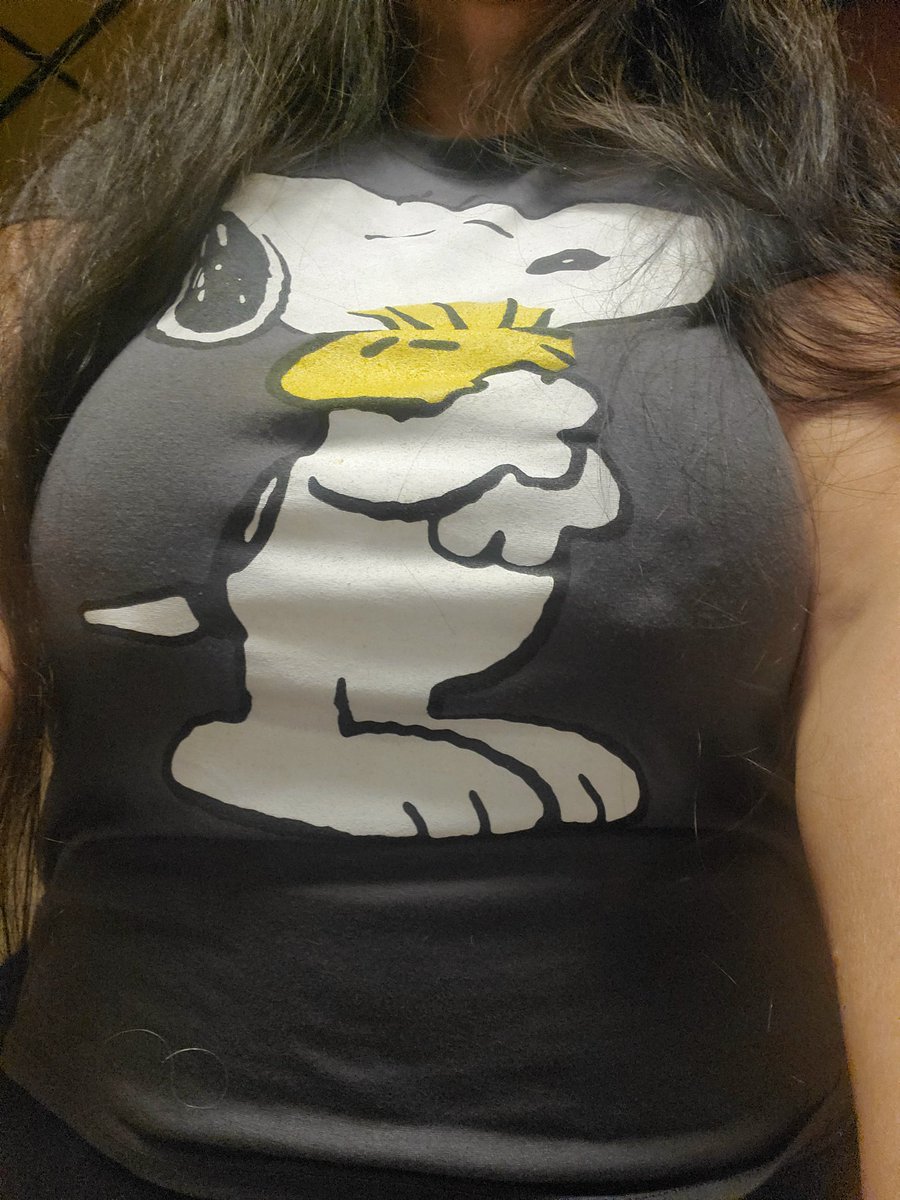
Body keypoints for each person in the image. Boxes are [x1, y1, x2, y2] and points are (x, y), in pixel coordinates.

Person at [0, 0, 898, 1196]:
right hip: (97, 1143)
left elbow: (877, 644)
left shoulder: (801, 193)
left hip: (701, 1165)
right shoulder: (131, 188)